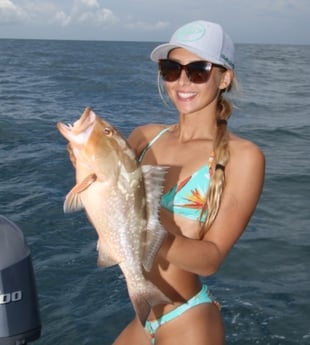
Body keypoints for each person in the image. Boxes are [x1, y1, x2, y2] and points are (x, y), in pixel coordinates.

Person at [113, 20, 265, 345]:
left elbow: (210, 259)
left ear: (224, 77)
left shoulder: (244, 157)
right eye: (171, 68)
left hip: (190, 324)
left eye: (198, 70)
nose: (182, 81)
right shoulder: (144, 137)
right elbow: (106, 203)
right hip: (145, 318)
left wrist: (147, 229)